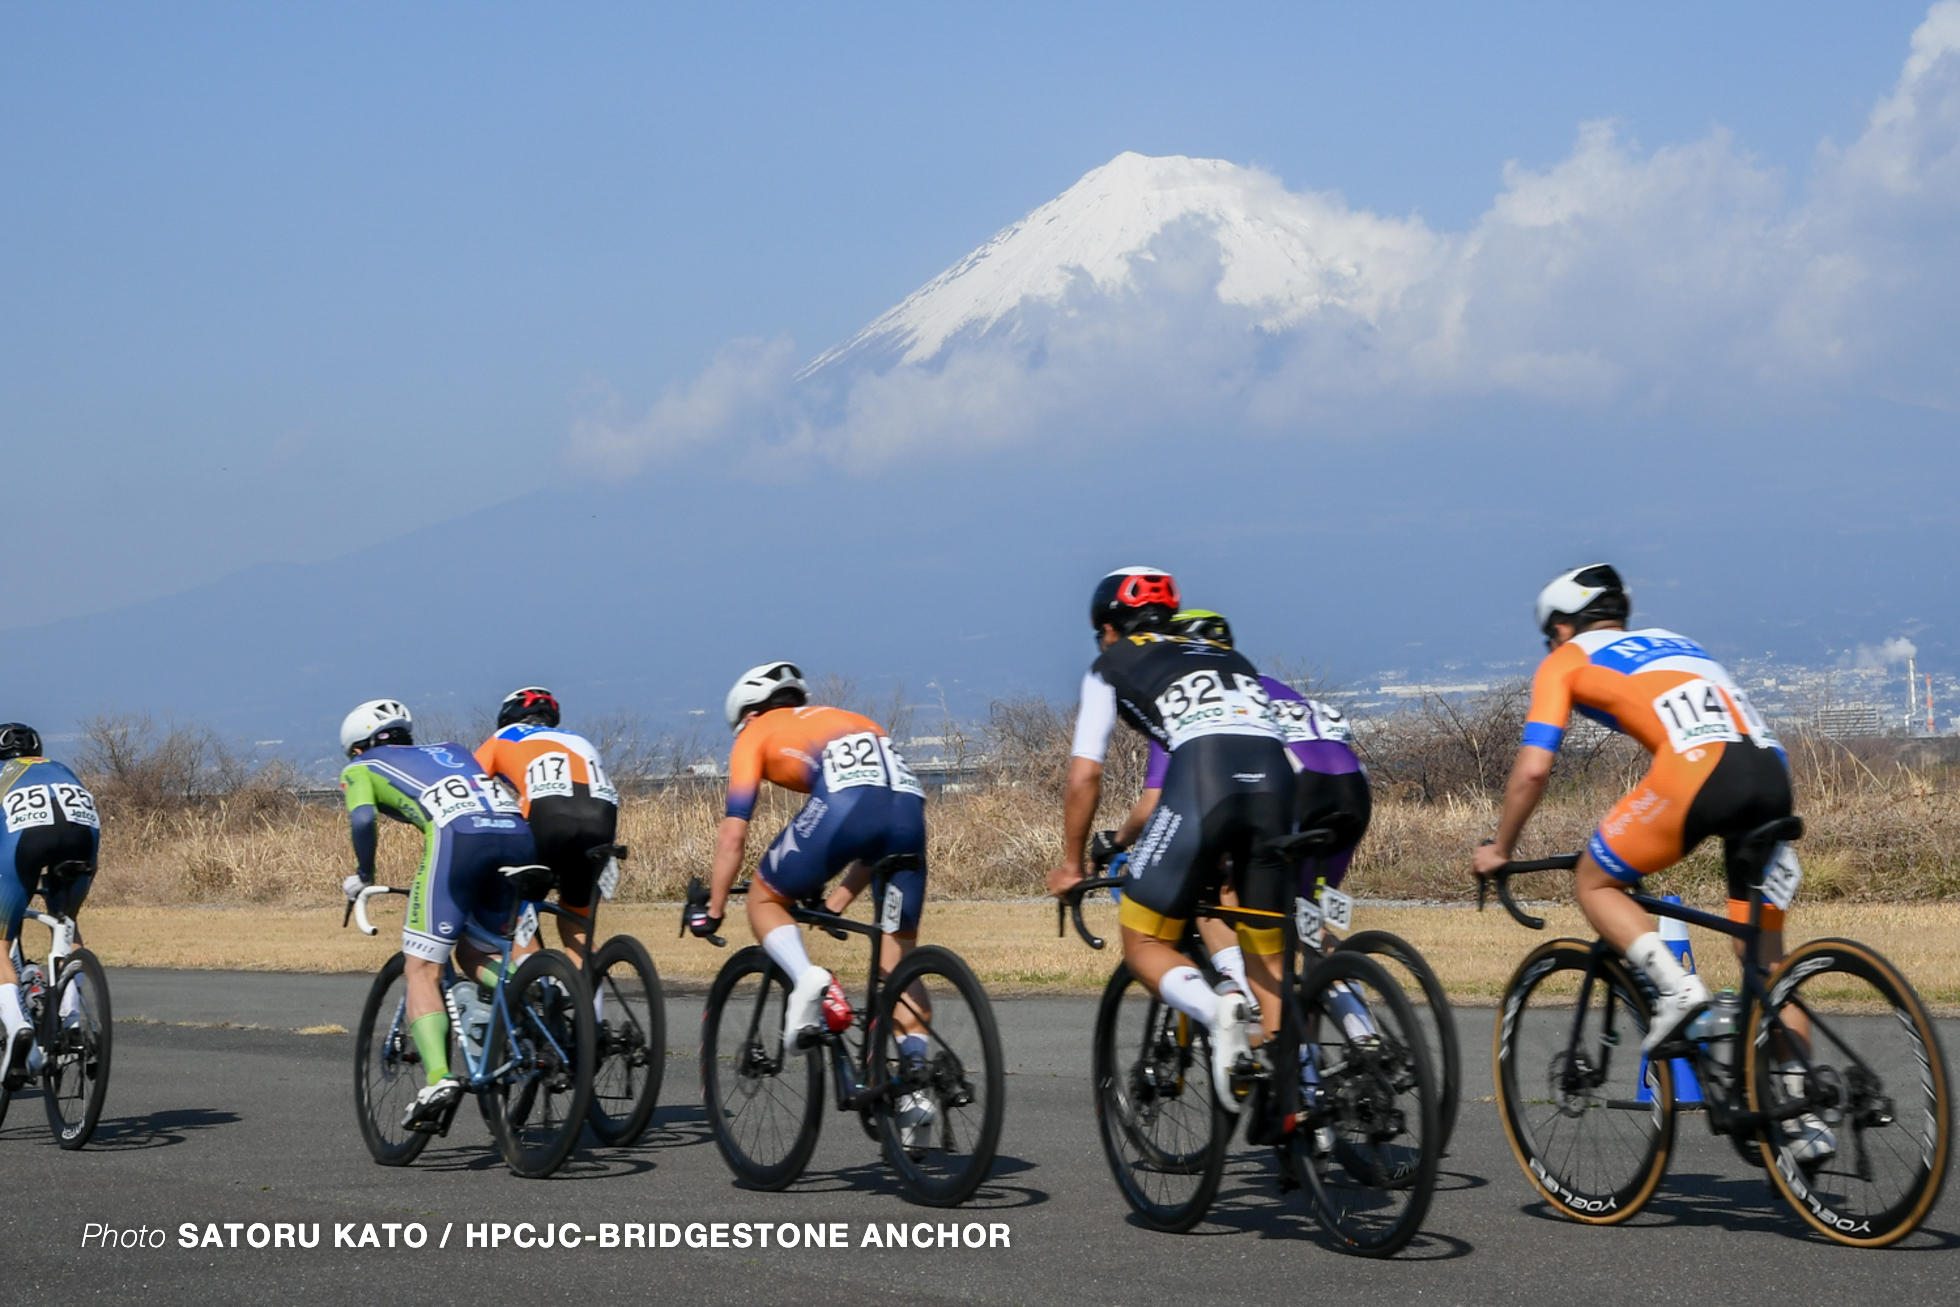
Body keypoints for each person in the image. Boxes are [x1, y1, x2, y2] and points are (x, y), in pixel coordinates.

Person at [1469, 565, 1830, 1161]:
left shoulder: (1565, 659)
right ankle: (1804, 1113)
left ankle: (1679, 992)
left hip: (1700, 771)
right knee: (1764, 960)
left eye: (1550, 636)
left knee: (1594, 878)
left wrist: (1501, 847)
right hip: (1771, 773)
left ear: (1562, 627)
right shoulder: (1678, 643)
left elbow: (1534, 769)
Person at [1047, 570, 1295, 1111]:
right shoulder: (1225, 655)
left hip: (1205, 780)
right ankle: (1293, 1106)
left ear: (1109, 630)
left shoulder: (1108, 664)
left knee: (1144, 942)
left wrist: (1070, 863)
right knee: (1268, 959)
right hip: (1278, 784)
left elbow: (1086, 775)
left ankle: (1215, 1011)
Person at [685, 662, 934, 1136]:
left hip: (847, 804)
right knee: (897, 961)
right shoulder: (852, 719)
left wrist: (713, 907)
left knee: (763, 899)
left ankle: (807, 978)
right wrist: (839, 898)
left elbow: (734, 835)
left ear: (748, 714)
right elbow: (878, 828)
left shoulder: (754, 735)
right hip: (909, 812)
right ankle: (918, 1087)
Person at [1111, 609, 1370, 1003]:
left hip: (1294, 789)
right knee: (1304, 920)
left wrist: (1116, 841)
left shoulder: (1190, 694)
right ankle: (1359, 1033)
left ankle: (1242, 999)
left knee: (1216, 893)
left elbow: (1154, 803)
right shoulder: (1264, 684)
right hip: (1352, 787)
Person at [337, 699, 533, 1132]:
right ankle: (532, 997)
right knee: (473, 949)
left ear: (356, 748)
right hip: (517, 834)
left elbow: (364, 818)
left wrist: (363, 874)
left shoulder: (360, 767)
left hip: (459, 840)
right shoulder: (453, 751)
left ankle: (438, 1080)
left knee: (423, 966)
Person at [475, 687, 620, 972]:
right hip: (601, 823)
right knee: (576, 924)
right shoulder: (579, 740)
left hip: (548, 818)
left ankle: (538, 994)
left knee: (520, 915)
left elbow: (470, 789)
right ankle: (589, 1012)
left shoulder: (503, 736)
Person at [0, 724, 100, 1088]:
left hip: (27, 839)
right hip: (81, 835)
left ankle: (18, 1029)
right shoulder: (59, 768)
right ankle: (72, 1023)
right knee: (66, 924)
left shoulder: (2, 774)